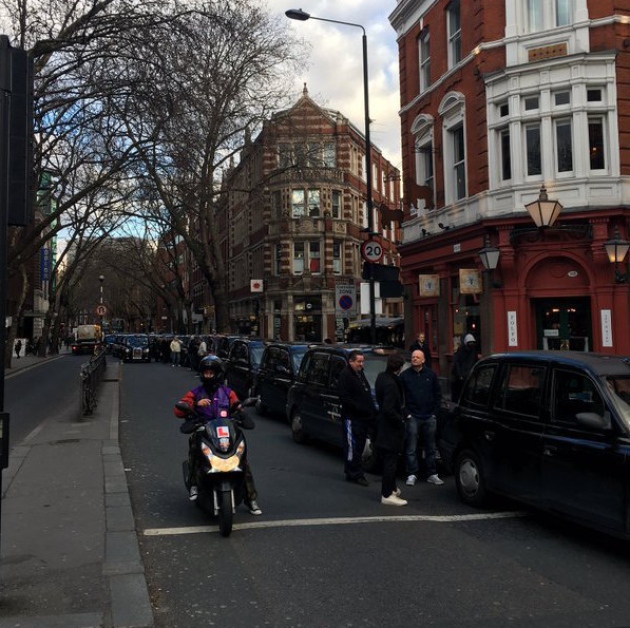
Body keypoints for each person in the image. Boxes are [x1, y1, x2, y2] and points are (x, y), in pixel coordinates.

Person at [174, 356, 262, 515]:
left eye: (211, 373)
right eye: (206, 373)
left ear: (219, 374)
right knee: (195, 450)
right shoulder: (195, 393)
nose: (208, 376)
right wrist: (194, 404)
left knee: (242, 461)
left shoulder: (228, 393)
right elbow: (179, 409)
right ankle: (194, 484)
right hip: (203, 431)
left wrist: (241, 410)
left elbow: (237, 407)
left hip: (226, 432)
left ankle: (251, 499)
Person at [400, 349, 444, 486]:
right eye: (413, 357)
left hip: (429, 416)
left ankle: (432, 473)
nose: (415, 359)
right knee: (411, 447)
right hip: (413, 416)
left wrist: (434, 413)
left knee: (431, 446)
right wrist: (406, 413)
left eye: (418, 357)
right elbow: (401, 398)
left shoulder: (431, 375)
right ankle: (412, 473)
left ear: (423, 360)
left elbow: (438, 395)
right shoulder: (405, 376)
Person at [338, 350, 377, 486]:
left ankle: (354, 471)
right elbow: (345, 398)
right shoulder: (345, 375)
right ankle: (354, 473)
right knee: (351, 447)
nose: (361, 364)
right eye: (359, 361)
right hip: (351, 417)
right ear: (351, 361)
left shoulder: (360, 373)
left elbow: (366, 392)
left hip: (363, 417)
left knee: (359, 446)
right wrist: (360, 408)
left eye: (362, 361)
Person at [375, 352, 408, 506]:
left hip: (383, 426)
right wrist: (400, 420)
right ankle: (387, 494)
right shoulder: (391, 384)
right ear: (399, 367)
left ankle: (392, 488)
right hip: (390, 429)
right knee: (391, 461)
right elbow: (389, 409)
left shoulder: (382, 377)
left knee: (389, 460)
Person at [451, 333, 478, 402]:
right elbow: (457, 363)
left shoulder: (473, 351)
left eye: (472, 343)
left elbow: (474, 361)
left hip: (468, 374)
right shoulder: (460, 350)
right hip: (459, 377)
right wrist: (460, 375)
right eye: (470, 343)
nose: (471, 345)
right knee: (458, 392)